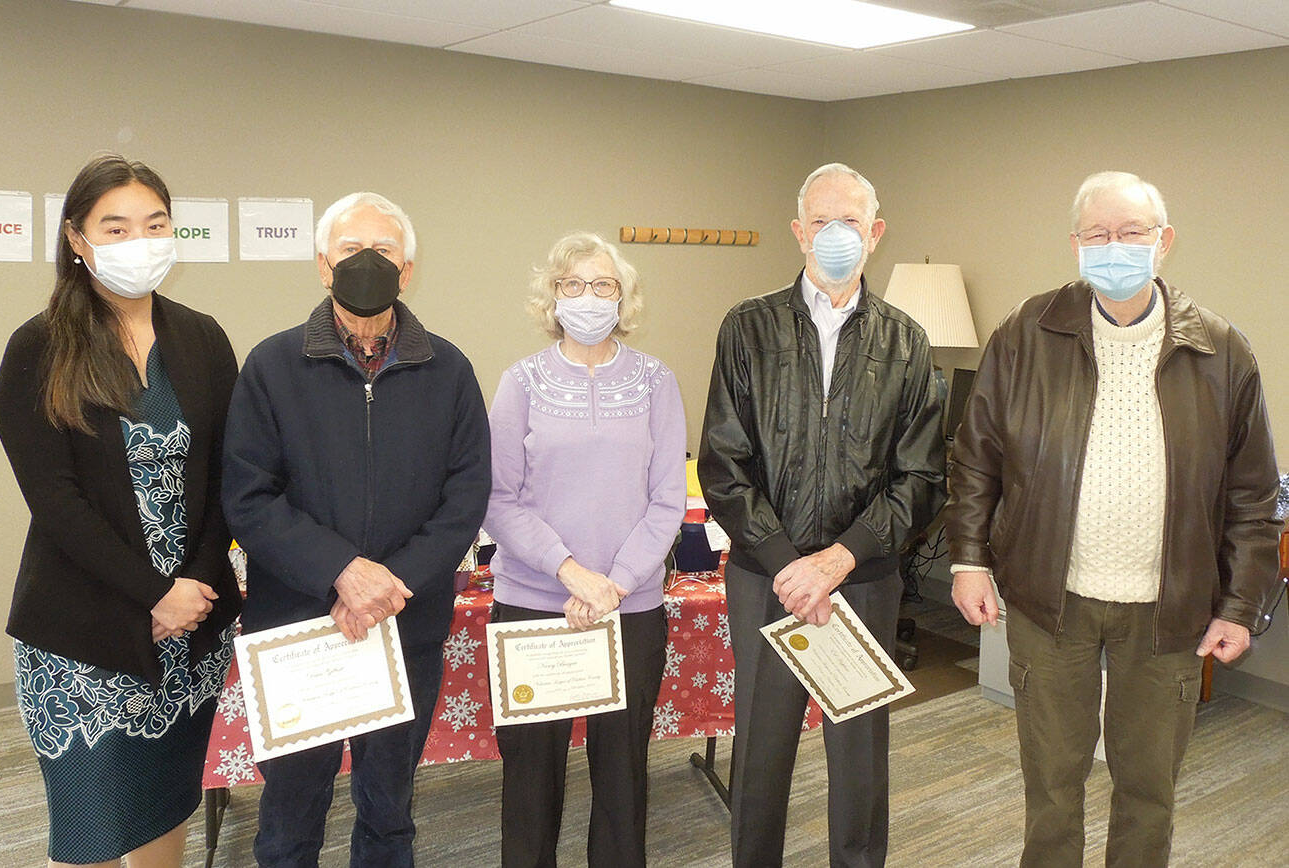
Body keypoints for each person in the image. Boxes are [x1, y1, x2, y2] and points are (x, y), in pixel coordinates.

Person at [945, 171, 1281, 868]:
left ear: (1165, 241)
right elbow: (976, 458)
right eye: (1097, 234)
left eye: (1131, 233)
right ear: (1075, 245)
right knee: (1051, 786)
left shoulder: (1222, 350)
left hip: (1169, 612)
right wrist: (969, 559)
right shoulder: (1025, 333)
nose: (1114, 247)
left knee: (1149, 791)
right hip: (1050, 601)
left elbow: (1252, 498)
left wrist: (1240, 606)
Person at [222, 192, 491, 867]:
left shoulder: (450, 371)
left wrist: (386, 584)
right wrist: (342, 571)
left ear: (407, 271)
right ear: (322, 265)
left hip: (405, 626)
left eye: (383, 251)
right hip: (299, 630)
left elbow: (464, 500)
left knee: (389, 812)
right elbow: (248, 498)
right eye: (349, 250)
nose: (365, 262)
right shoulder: (271, 366)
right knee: (289, 819)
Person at [0, 154, 241, 868]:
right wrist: (153, 593)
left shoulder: (202, 336)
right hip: (86, 634)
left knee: (165, 809)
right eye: (116, 227)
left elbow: (230, 474)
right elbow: (56, 502)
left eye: (156, 224)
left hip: (189, 627)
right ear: (77, 238)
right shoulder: (39, 347)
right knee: (92, 834)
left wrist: (193, 588)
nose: (141, 241)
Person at [698, 162, 947, 867]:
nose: (836, 234)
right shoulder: (747, 328)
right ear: (798, 231)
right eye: (821, 221)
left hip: (861, 581)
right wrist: (790, 567)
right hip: (766, 579)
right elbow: (724, 463)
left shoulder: (906, 342)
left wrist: (835, 561)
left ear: (876, 232)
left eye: (851, 221)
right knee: (761, 752)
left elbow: (922, 477)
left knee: (860, 757)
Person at [483, 232, 686, 868]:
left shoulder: (656, 381)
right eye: (573, 284)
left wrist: (613, 585)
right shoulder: (520, 382)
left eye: (603, 285)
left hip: (629, 608)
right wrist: (573, 574)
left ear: (623, 297)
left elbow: (667, 502)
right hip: (534, 607)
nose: (588, 296)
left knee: (623, 778)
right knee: (530, 780)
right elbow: (498, 500)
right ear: (553, 296)